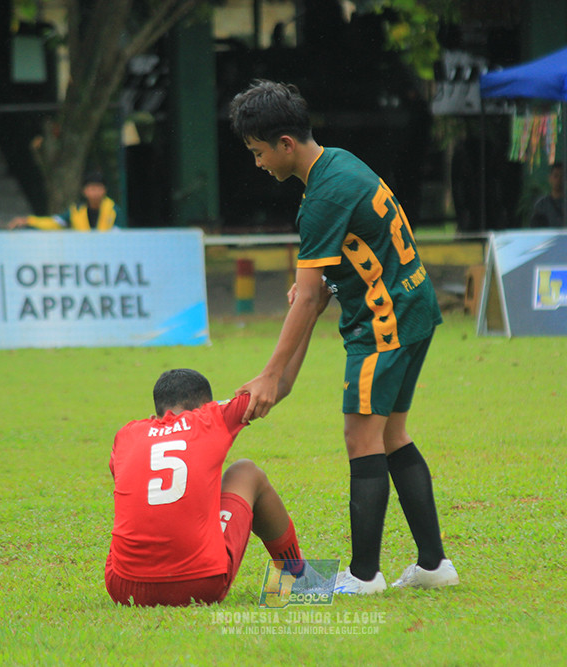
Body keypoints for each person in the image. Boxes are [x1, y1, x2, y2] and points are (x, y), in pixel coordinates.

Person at [228, 80, 458, 595]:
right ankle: (433, 566)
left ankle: (363, 576)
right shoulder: (339, 162)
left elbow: (309, 298)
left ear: (286, 143)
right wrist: (283, 378)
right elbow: (322, 285)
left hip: (383, 323)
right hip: (414, 308)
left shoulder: (321, 199)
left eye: (259, 152)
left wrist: (270, 375)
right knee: (392, 435)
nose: (258, 163)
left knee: (361, 439)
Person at [106, 294, 331, 607]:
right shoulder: (209, 418)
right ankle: (298, 577)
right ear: (205, 405)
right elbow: (278, 387)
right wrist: (309, 315)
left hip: (122, 588)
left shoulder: (127, 434)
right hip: (199, 584)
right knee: (246, 471)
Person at [9, 172, 124, 231]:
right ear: (84, 191)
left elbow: (119, 237)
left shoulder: (114, 211)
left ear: (104, 190)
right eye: (92, 189)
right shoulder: (76, 211)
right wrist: (29, 220)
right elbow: (55, 222)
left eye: (99, 188)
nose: (95, 192)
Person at [530, 162, 567, 228]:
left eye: (562, 176)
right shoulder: (541, 205)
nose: (559, 180)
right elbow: (536, 229)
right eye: (556, 176)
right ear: (550, 178)